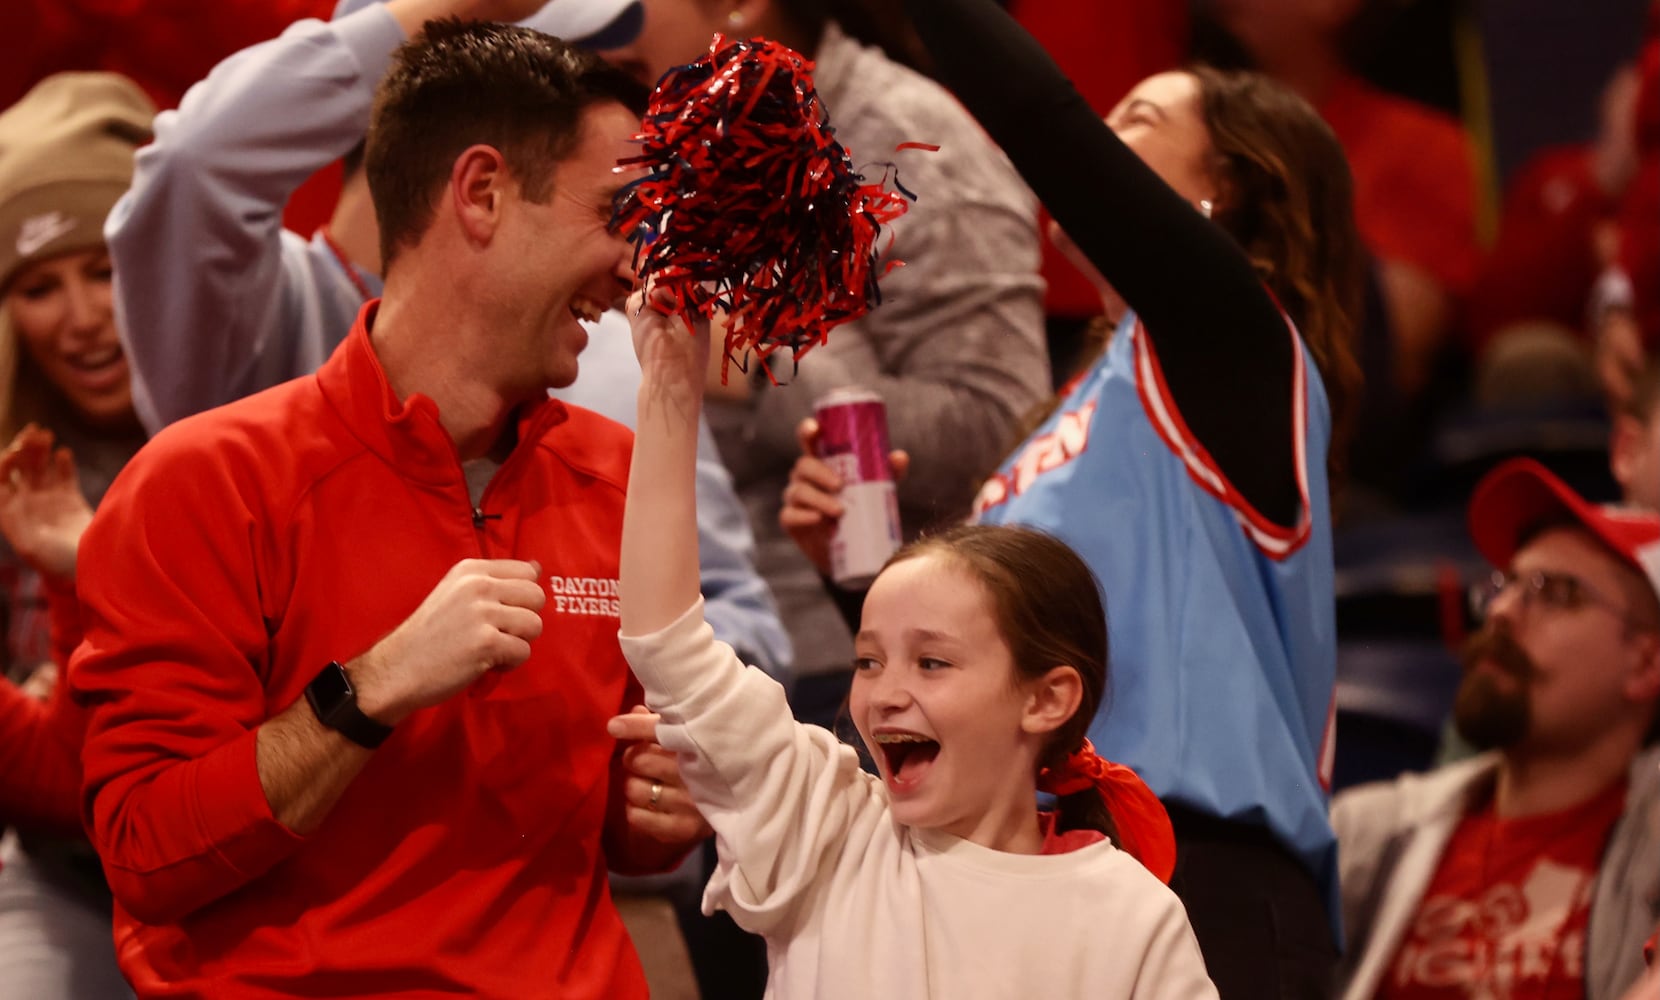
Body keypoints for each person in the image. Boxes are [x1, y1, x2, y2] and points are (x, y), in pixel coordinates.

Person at [70, 20, 709, 997]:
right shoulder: (201, 482)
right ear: (482, 193)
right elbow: (145, 852)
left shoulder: (624, 476)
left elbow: (614, 820)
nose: (636, 264)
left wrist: (651, 809)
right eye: (616, 213)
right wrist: (365, 690)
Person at [783, 0, 1366, 993]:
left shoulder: (1236, 352)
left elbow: (1041, 119)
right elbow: (995, 664)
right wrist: (855, 578)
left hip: (1205, 879)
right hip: (1044, 865)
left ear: (1224, 190)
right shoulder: (1080, 405)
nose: (1098, 133)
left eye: (1137, 120)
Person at [103, 0, 790, 679]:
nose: (598, 87)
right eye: (552, 57)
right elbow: (191, 166)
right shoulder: (257, 327)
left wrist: (616, 703)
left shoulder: (609, 350)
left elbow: (735, 619)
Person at [608, 285, 1217, 999]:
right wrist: (669, 384)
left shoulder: (1131, 918)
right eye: (868, 661)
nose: (886, 694)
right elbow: (669, 644)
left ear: (1047, 699)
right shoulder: (822, 827)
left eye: (932, 663)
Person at [592, 0, 1048, 734]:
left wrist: (753, 365)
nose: (593, 20)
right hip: (680, 637)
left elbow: (1002, 421)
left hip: (847, 672)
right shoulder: (661, 130)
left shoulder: (907, 137)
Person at [1332, 457, 1660, 1000]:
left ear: (1646, 665)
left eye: (1555, 592)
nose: (1503, 611)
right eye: (1505, 584)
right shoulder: (1369, 831)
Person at [0, 69, 158, 999]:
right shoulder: (13, 464)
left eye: (103, 269)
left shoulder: (243, 421)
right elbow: (58, 772)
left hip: (255, 879)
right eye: (38, 287)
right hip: (62, 880)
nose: (84, 318)